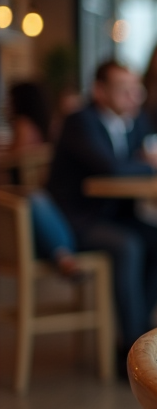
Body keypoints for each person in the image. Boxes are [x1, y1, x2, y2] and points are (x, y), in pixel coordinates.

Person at [45, 61, 157, 355]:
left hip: (117, 216)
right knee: (128, 246)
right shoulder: (80, 120)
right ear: (99, 90)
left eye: (136, 89)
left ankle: (143, 336)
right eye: (123, 89)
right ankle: (131, 350)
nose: (133, 97)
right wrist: (154, 166)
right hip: (77, 221)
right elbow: (112, 168)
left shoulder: (135, 121)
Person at [6, 81, 79, 275]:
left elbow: (12, 159)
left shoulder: (23, 125)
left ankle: (63, 255)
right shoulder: (50, 124)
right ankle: (63, 256)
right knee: (37, 200)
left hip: (16, 197)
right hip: (31, 196)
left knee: (34, 199)